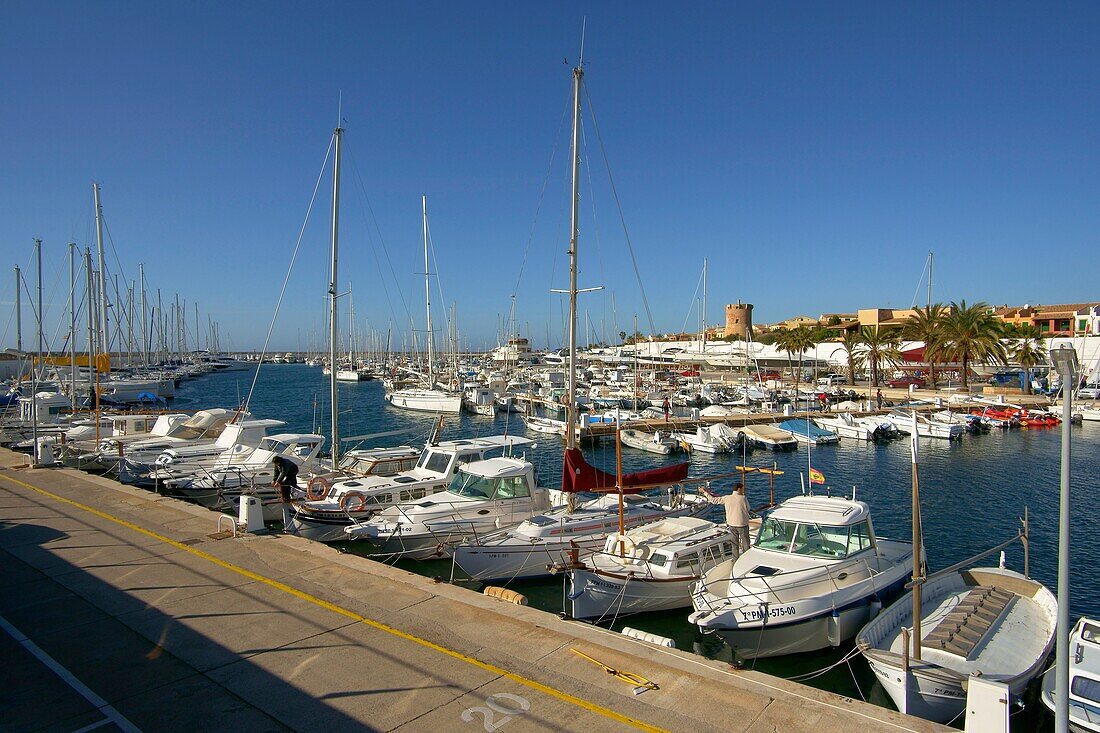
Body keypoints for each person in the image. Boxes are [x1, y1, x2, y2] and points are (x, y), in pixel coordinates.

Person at [713, 483, 751, 554]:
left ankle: (735, 560)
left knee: (734, 545)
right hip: (742, 524)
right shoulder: (743, 498)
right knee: (746, 544)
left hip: (731, 524)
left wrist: (705, 493)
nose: (743, 490)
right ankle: (746, 560)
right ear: (739, 489)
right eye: (742, 489)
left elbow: (713, 500)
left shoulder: (727, 498)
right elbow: (748, 508)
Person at [272, 455, 299, 530]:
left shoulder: (285, 463)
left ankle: (288, 497)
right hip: (288, 472)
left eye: (276, 463)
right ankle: (286, 496)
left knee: (287, 483)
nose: (276, 465)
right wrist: (274, 480)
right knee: (285, 483)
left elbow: (284, 472)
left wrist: (278, 481)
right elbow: (276, 472)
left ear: (279, 461)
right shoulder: (277, 464)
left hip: (293, 470)